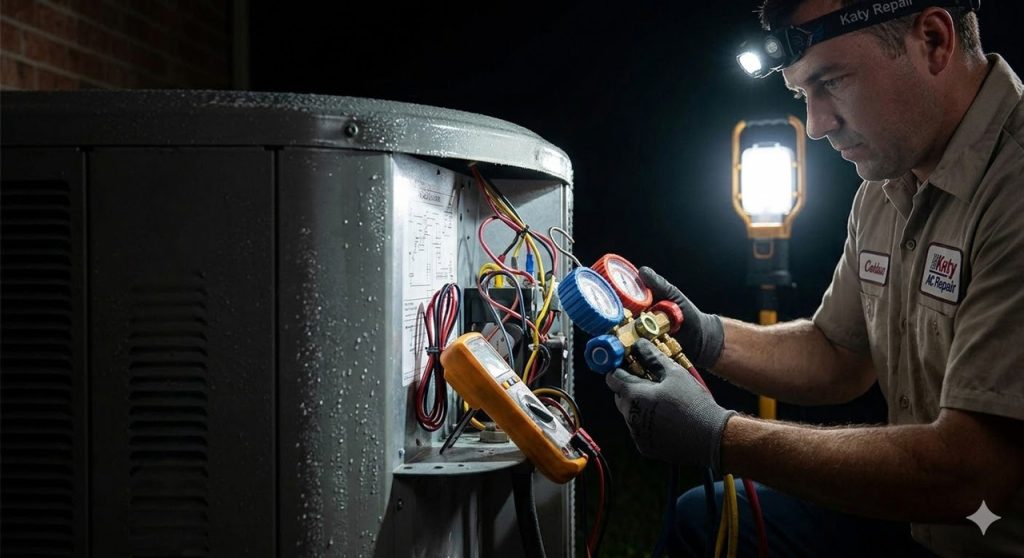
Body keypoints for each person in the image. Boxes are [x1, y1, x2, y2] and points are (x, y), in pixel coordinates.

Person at [605, 0, 1024, 556]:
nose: (817, 124)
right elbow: (839, 352)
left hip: (987, 533)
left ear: (933, 40)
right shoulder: (886, 185)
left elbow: (970, 472)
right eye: (803, 94)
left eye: (832, 81)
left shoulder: (1013, 188)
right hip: (924, 526)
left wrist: (721, 435)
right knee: (704, 520)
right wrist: (701, 334)